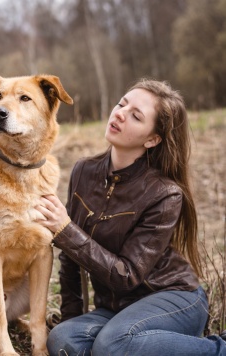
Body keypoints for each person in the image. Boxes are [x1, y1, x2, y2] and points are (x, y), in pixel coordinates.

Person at [35, 79, 226, 355]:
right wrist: (71, 319)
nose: (120, 114)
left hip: (172, 299)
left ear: (152, 139)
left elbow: (127, 275)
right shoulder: (83, 172)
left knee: (112, 344)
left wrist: (66, 231)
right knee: (63, 339)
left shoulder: (164, 194)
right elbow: (70, 259)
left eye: (136, 116)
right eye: (121, 104)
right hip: (115, 310)